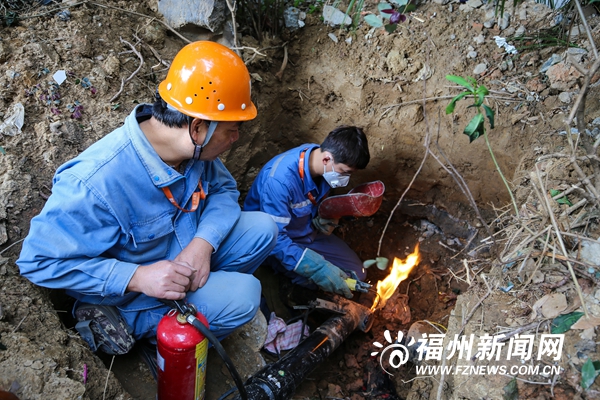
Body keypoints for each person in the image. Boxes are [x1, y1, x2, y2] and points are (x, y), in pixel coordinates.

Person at [17, 41, 278, 355]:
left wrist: (202, 244)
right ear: (198, 128)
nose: (236, 139)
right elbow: (37, 262)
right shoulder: (97, 181)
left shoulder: (193, 151)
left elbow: (224, 191)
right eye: (232, 130)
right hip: (134, 294)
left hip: (181, 256)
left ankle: (206, 299)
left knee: (264, 228)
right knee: (245, 295)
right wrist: (138, 277)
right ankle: (147, 326)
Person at [243, 126, 370, 299]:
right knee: (321, 284)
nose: (345, 179)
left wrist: (327, 216)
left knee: (357, 274)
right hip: (276, 244)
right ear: (327, 159)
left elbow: (316, 200)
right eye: (344, 173)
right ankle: (289, 288)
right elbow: (275, 240)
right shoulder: (279, 181)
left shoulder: (319, 158)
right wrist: (317, 268)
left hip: (308, 233)